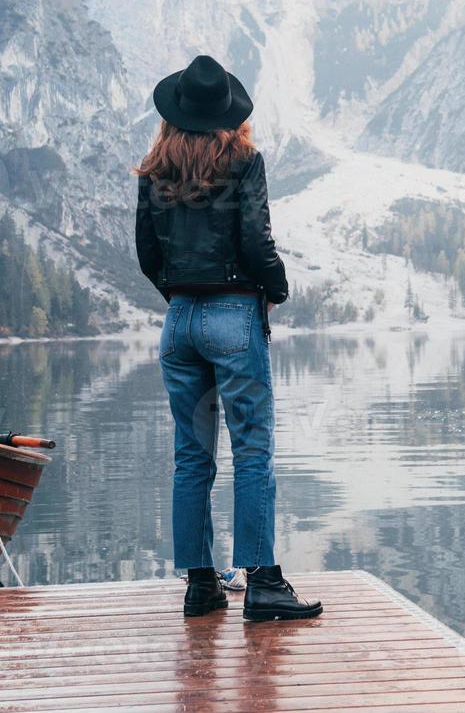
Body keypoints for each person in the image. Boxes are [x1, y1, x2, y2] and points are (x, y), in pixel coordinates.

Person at [134, 54, 323, 622]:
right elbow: (255, 238)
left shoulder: (154, 171)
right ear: (227, 116)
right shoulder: (244, 162)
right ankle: (263, 583)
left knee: (191, 458)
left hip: (180, 323)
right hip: (234, 315)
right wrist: (277, 288)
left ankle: (200, 586)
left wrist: (180, 296)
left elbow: (147, 254)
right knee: (252, 452)